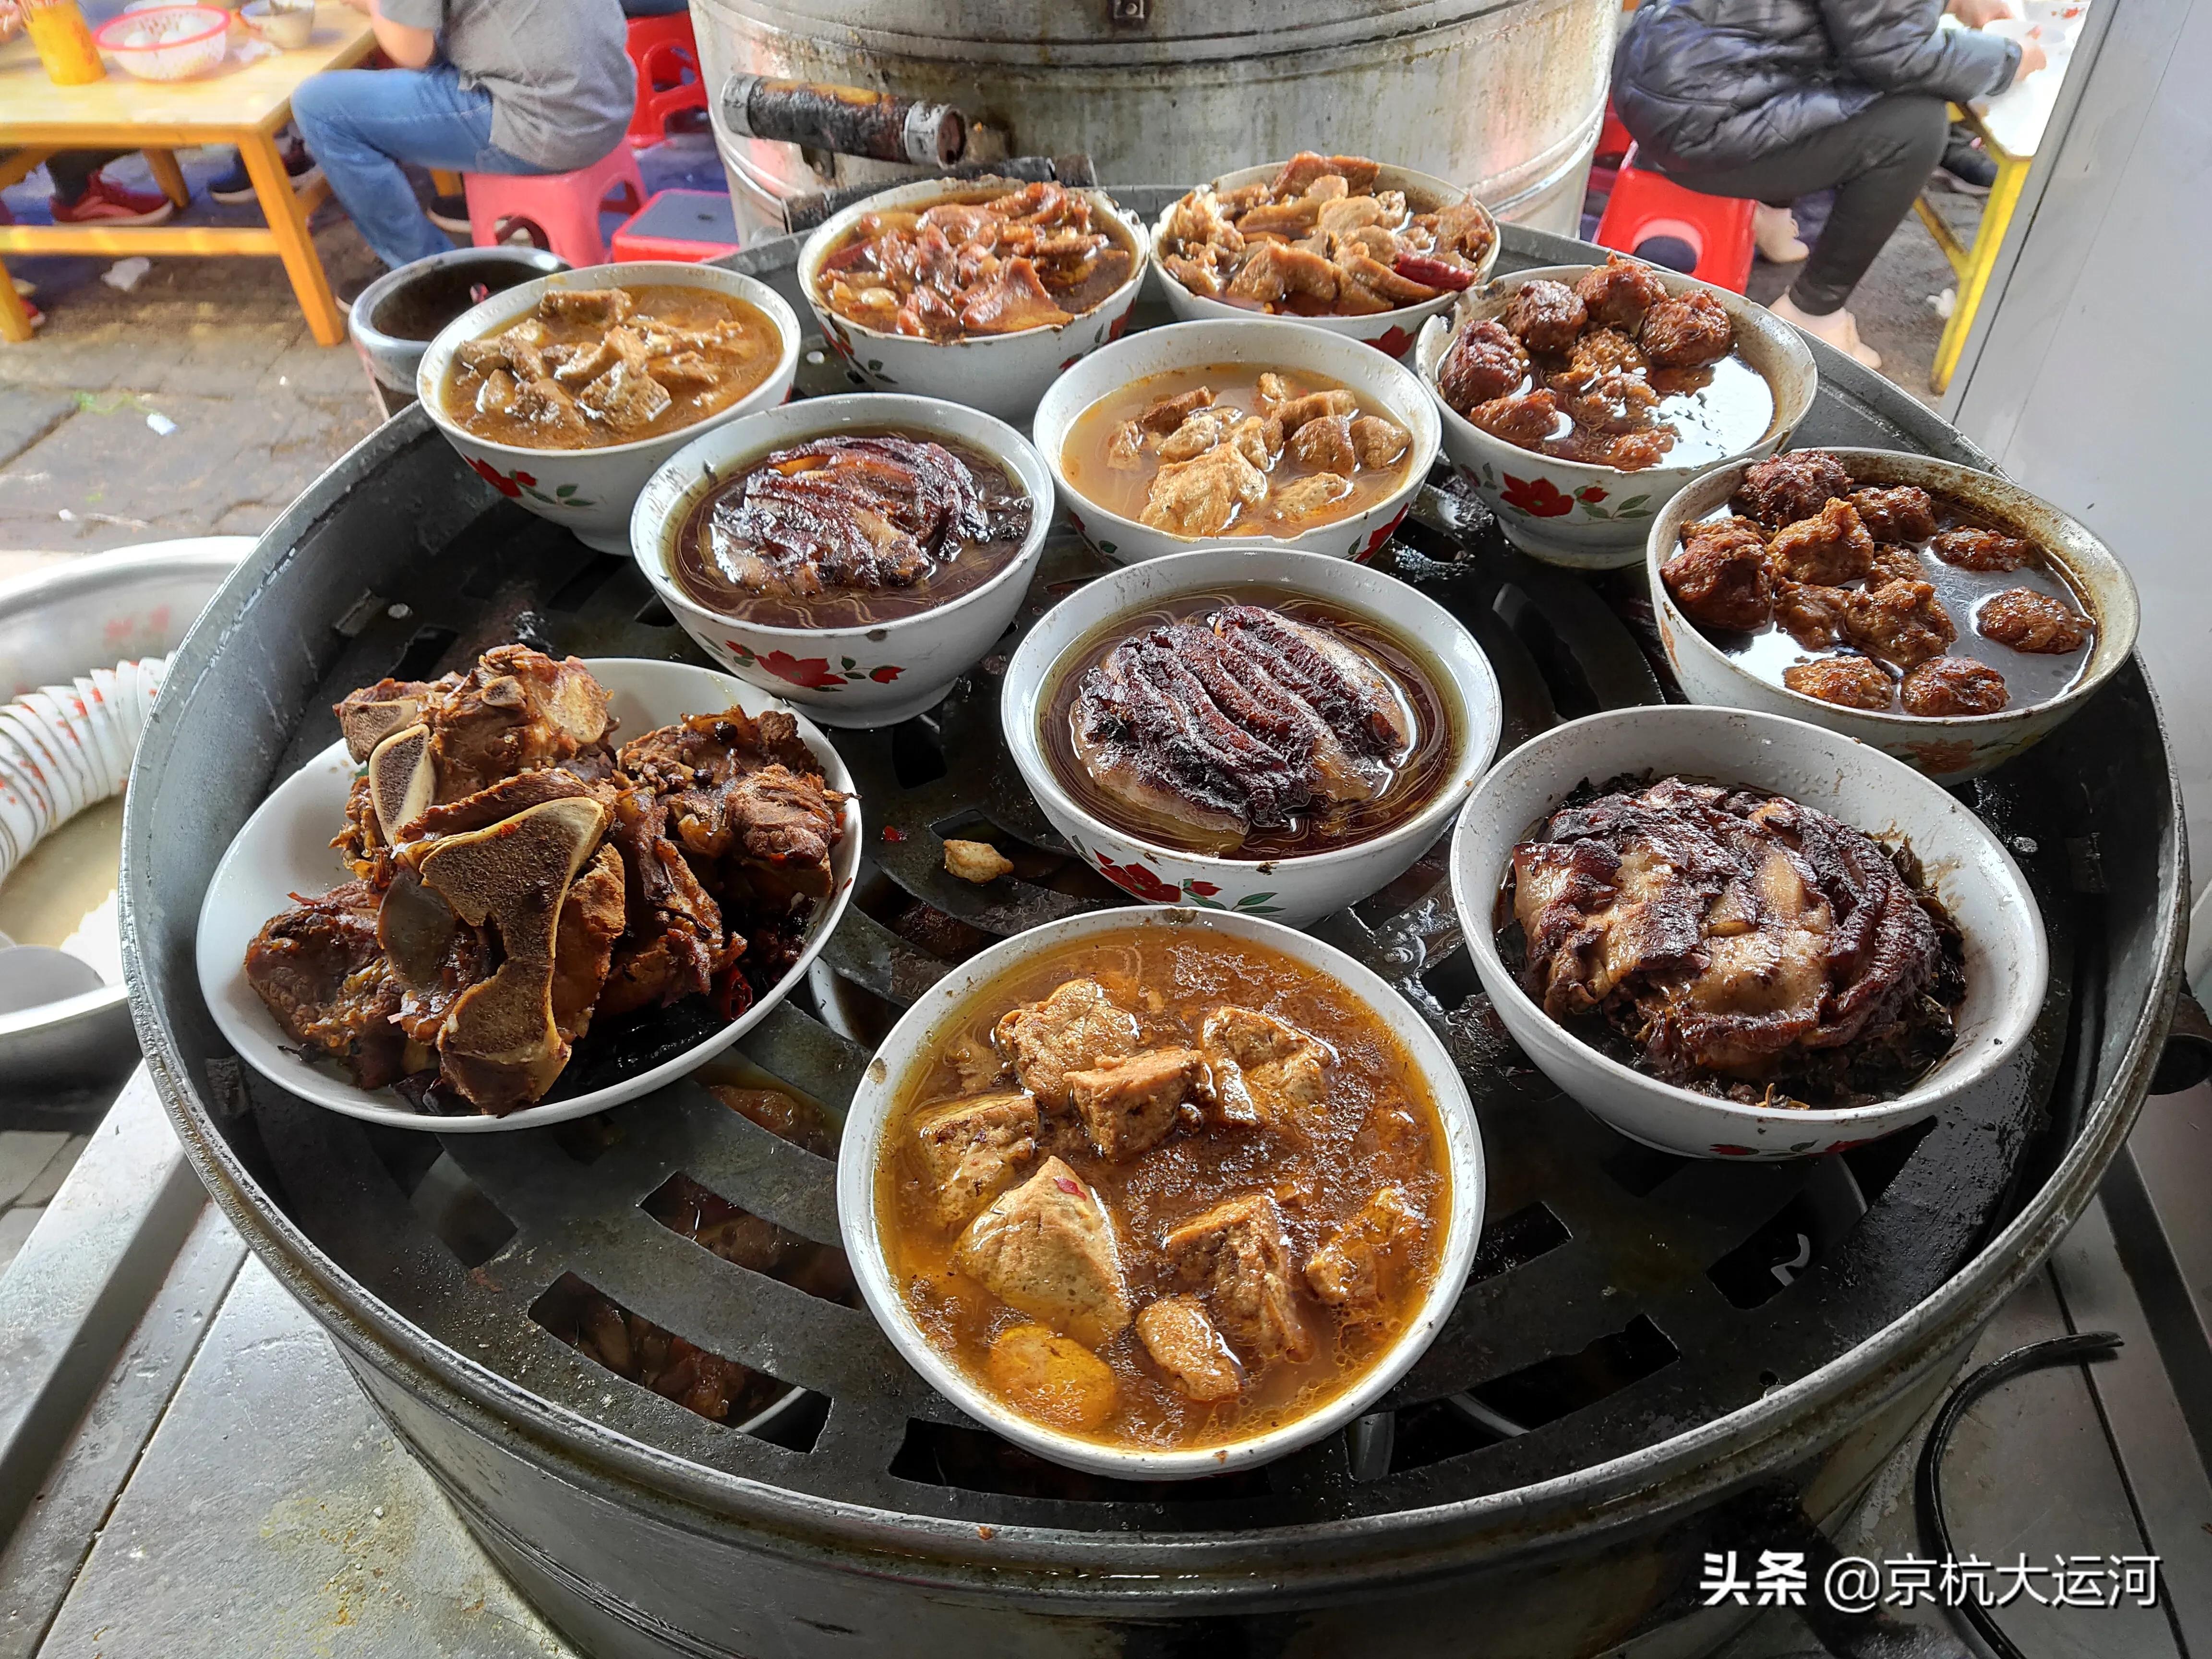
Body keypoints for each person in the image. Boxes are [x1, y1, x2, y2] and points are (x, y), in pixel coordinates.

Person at [1611, 0, 2046, 369]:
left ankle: (1771, 218)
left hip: (1665, 84)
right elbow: (1897, 53)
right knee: (1915, 127)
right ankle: (1813, 313)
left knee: (1821, 68)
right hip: (1703, 124)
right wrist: (2009, 59)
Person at [287, 0, 634, 272]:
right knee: (449, 40)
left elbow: (411, 51)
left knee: (320, 108)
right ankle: (478, 207)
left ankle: (427, 275)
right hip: (609, 96)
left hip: (552, 126)